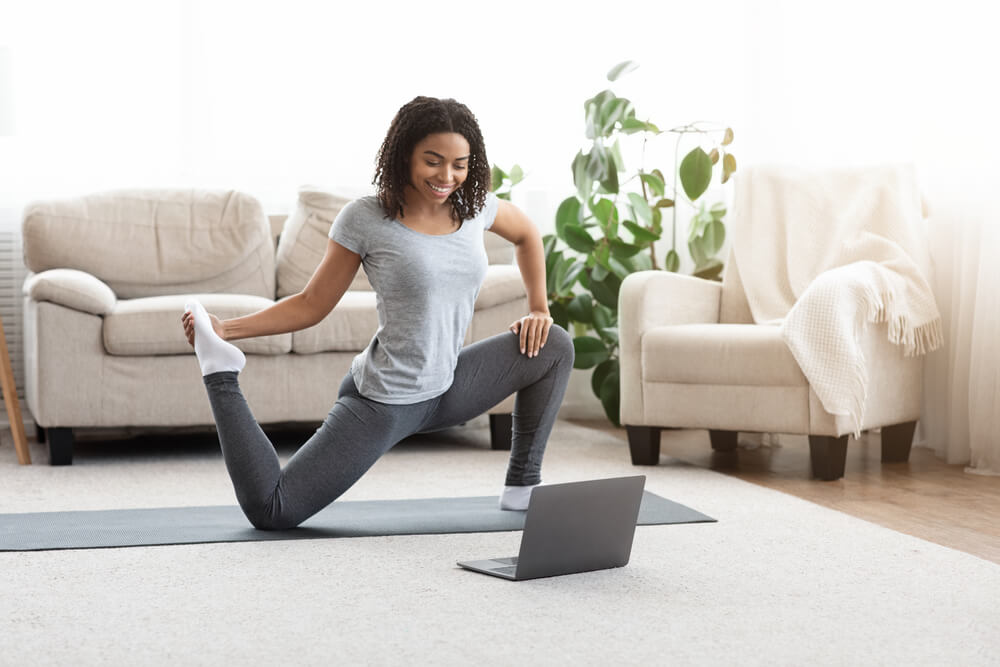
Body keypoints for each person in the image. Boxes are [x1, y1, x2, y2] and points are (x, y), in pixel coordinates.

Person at [181, 96, 574, 530]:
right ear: (404, 153)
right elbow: (312, 304)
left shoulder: (476, 207)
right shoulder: (365, 218)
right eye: (433, 161)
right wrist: (226, 331)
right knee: (272, 510)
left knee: (554, 345)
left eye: (460, 164)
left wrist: (539, 308)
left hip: (449, 385)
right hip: (386, 399)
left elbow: (528, 234)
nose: (447, 176)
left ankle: (523, 486)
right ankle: (219, 372)